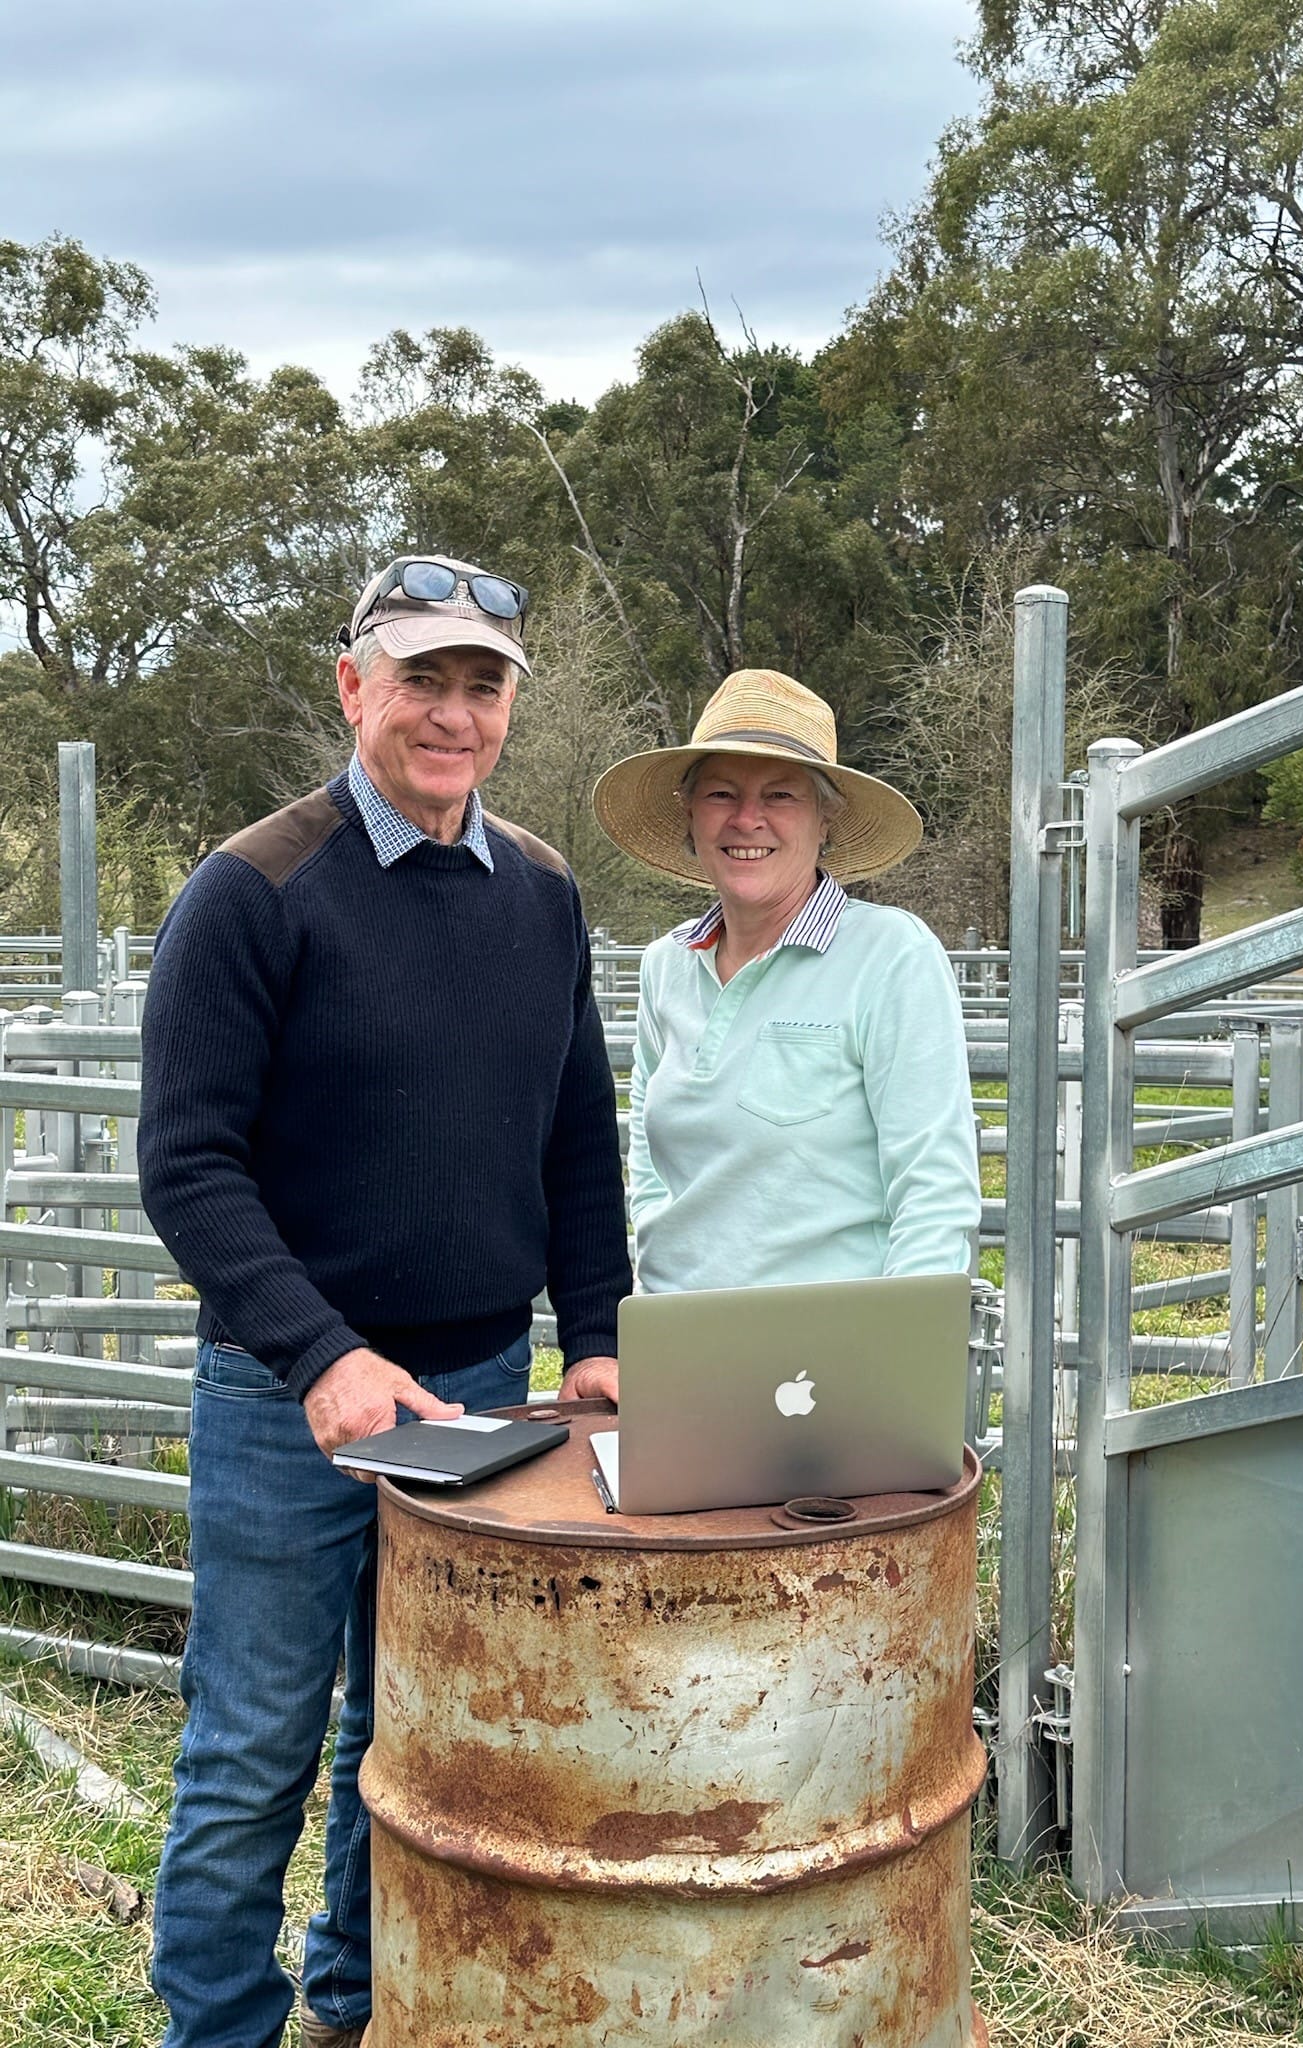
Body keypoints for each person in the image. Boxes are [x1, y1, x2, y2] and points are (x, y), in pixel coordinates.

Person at [137, 554, 630, 2048]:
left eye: (483, 687)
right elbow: (190, 1166)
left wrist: (596, 1339)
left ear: (510, 712)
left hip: (481, 1391)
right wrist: (319, 1354)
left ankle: (363, 2005)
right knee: (253, 1748)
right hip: (294, 1406)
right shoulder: (253, 893)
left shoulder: (541, 895)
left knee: (416, 1739)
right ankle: (217, 2026)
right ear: (353, 686)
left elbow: (575, 1139)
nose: (453, 714)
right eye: (423, 678)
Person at [592, 666, 980, 1295]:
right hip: (682, 1340)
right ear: (690, 817)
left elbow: (932, 1186)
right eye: (720, 794)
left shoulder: (888, 955)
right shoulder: (667, 965)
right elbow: (651, 1159)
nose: (747, 819)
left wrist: (902, 1360)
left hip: (828, 1359)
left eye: (781, 795)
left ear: (824, 821)